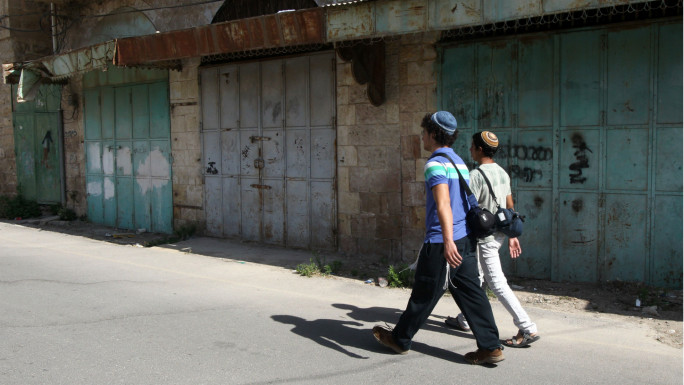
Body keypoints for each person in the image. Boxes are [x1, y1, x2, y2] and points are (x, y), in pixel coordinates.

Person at [372, 111, 504, 365]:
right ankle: (490, 346)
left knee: (424, 291)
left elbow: (443, 204)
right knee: (471, 292)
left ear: (433, 134)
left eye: (423, 132)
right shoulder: (460, 162)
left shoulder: (435, 163)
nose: (421, 137)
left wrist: (447, 241)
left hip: (443, 241)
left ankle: (400, 339)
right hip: (464, 238)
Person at [444, 131, 540, 348]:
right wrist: (512, 235)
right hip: (498, 235)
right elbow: (509, 205)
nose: (470, 149)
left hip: (483, 237)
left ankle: (527, 327)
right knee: (474, 277)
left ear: (479, 149)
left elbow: (468, 208)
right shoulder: (503, 173)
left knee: (496, 283)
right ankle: (465, 318)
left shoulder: (475, 175)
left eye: (472, 146)